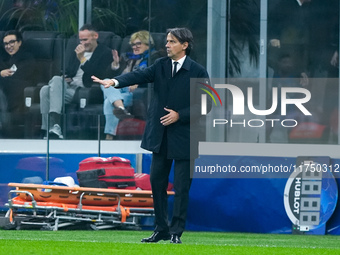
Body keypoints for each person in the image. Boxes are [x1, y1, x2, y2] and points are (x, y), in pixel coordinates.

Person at [92, 27, 210, 244]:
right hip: (161, 135)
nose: (167, 45)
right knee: (157, 182)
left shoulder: (198, 71)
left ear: (185, 45)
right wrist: (114, 82)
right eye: (166, 41)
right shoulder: (160, 65)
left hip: (186, 136)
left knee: (182, 187)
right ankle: (161, 229)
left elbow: (206, 104)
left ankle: (176, 232)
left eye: (172, 41)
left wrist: (179, 115)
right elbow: (138, 75)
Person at [39, 24, 112, 139]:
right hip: (69, 86)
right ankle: (50, 129)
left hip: (84, 90)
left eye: (85, 39)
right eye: (81, 40)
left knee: (48, 89)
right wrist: (66, 77)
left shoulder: (105, 52)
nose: (82, 43)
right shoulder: (77, 51)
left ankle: (53, 126)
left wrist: (82, 58)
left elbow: (97, 75)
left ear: (95, 36)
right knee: (48, 87)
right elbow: (69, 70)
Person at [102, 30, 162, 140]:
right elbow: (109, 76)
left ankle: (110, 135)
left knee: (109, 100)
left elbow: (153, 76)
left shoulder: (153, 58)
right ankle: (121, 108)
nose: (135, 47)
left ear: (148, 44)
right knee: (106, 82)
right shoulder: (126, 58)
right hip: (119, 91)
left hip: (134, 92)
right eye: (133, 44)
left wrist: (138, 81)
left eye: (139, 44)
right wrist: (115, 65)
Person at [0, 30, 35, 113]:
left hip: (20, 91)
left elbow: (19, 77)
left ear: (19, 42)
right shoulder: (4, 59)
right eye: (6, 44)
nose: (9, 46)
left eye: (12, 42)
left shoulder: (27, 58)